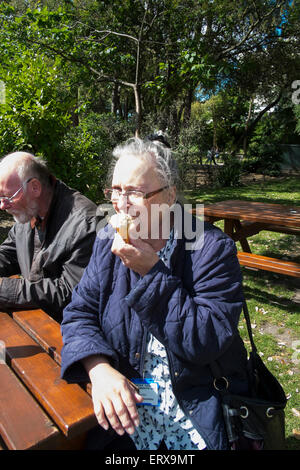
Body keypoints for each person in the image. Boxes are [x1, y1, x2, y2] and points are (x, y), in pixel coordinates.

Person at [60, 136, 249, 450]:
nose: (120, 204)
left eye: (135, 192)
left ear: (170, 195)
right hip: (127, 418)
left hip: (195, 417)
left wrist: (150, 271)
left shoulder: (211, 249)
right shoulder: (108, 240)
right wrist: (99, 368)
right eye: (116, 190)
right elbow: (79, 312)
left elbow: (206, 339)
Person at [0, 151, 98, 322]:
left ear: (35, 188)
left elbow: (69, 292)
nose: (2, 205)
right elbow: (9, 254)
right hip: (35, 322)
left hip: (68, 333)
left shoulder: (84, 223)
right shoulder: (29, 210)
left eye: (8, 197)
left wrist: (4, 289)